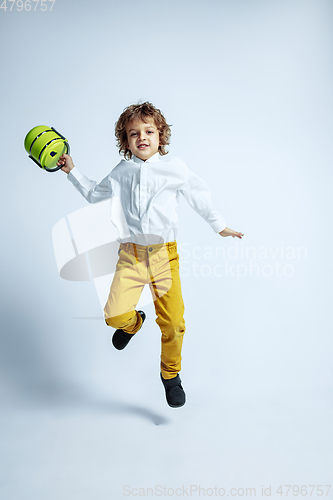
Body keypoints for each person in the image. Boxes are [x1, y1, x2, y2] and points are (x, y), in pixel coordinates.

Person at [57, 101, 244, 408]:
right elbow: (94, 194)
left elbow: (199, 195)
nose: (141, 137)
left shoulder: (175, 168)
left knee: (173, 323)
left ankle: (170, 376)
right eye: (133, 133)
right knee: (113, 315)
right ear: (125, 141)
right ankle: (134, 323)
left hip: (164, 258)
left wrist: (219, 226)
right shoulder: (121, 172)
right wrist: (71, 170)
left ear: (161, 135)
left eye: (148, 131)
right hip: (130, 256)